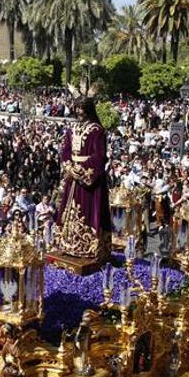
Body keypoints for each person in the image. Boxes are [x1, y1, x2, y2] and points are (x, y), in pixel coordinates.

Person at [52, 98, 112, 261]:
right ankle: (67, 243)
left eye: (82, 109)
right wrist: (68, 167)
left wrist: (83, 171)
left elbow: (99, 156)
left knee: (88, 212)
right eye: (77, 108)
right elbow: (65, 151)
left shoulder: (97, 131)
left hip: (88, 181)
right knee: (67, 211)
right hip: (72, 176)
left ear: (89, 110)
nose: (78, 112)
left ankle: (88, 246)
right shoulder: (72, 129)